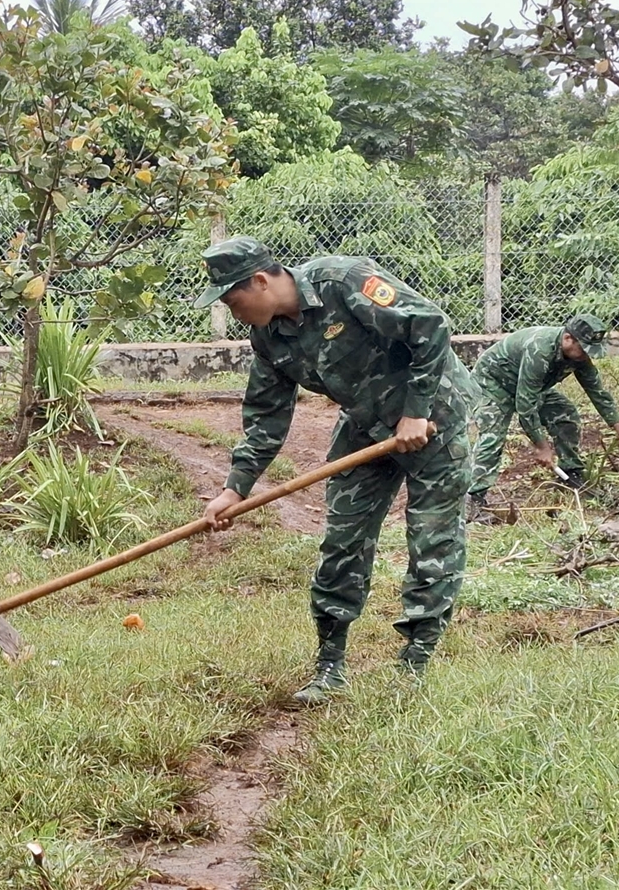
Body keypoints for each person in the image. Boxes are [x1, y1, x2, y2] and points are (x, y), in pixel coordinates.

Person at [195, 238, 476, 706]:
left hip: (434, 419)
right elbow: (266, 416)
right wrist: (234, 489)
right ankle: (330, 666)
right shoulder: (267, 335)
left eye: (231, 298)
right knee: (343, 539)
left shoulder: (343, 282)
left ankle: (414, 664)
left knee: (432, 539)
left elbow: (429, 325)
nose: (229, 309)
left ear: (260, 281)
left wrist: (415, 411)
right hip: (365, 426)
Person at [466, 314, 619, 522]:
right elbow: (525, 405)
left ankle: (571, 473)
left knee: (565, 414)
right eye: (584, 349)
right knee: (492, 436)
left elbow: (597, 391)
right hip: (493, 384)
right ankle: (473, 500)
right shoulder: (540, 350)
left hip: (530, 386)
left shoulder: (578, 357)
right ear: (568, 339)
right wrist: (541, 446)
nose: (587, 355)